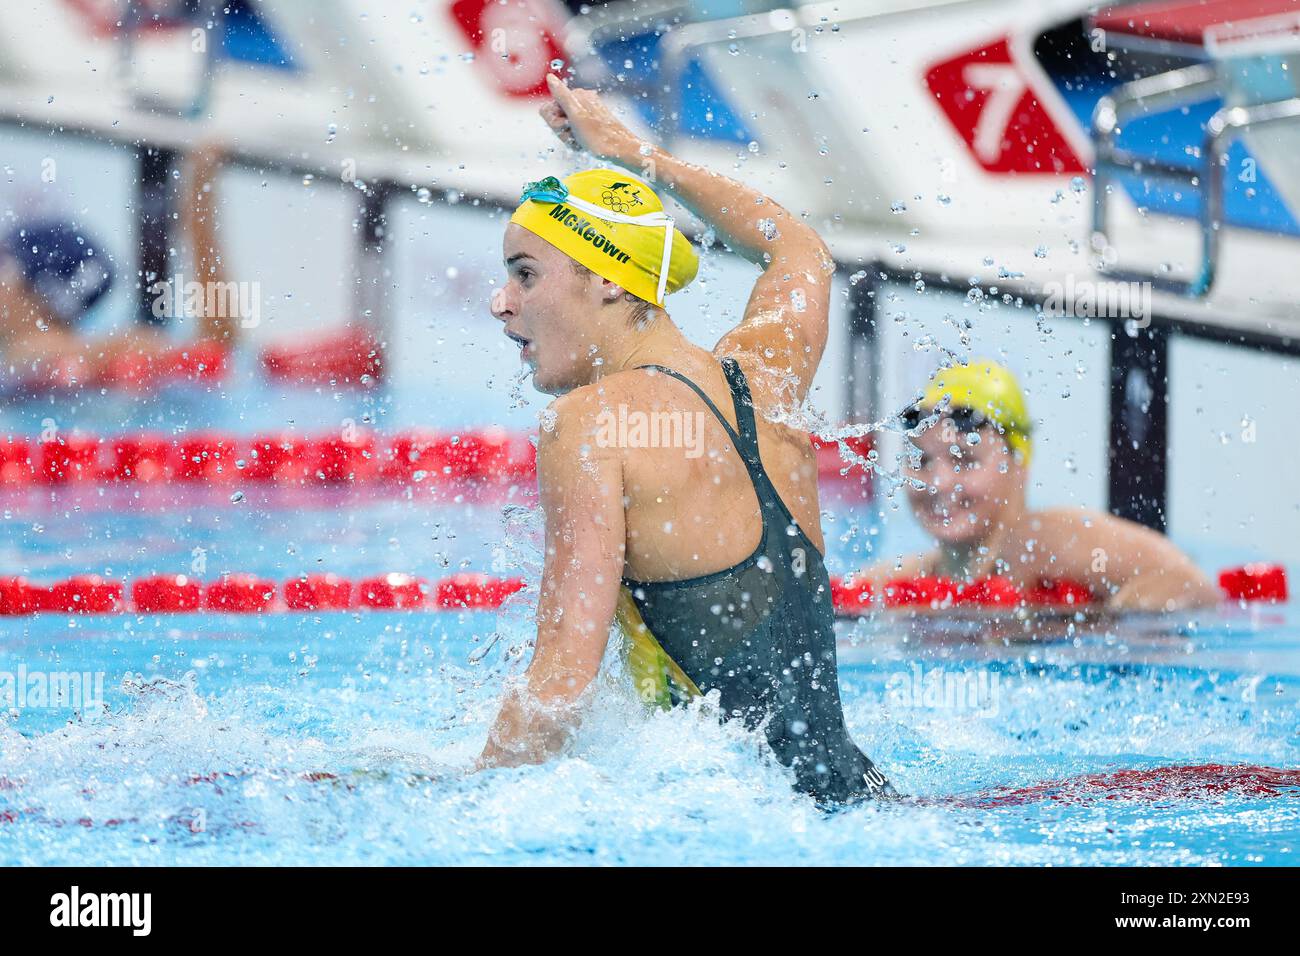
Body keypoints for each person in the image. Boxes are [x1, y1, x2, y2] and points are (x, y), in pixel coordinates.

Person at [476, 73, 894, 804]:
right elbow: (798, 250)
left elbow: (557, 693)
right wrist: (640, 156)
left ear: (608, 280)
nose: (499, 302)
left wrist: (451, 799)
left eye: (524, 274)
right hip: (861, 800)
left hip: (752, 825)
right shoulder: (764, 379)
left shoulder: (590, 425)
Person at [862, 359, 1218, 611]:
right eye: (922, 461)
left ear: (1019, 464)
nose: (939, 484)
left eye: (966, 461)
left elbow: (1190, 583)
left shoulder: (1043, 540)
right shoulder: (907, 577)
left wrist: (1104, 624)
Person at [0, 144, 240, 389]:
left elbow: (215, 351)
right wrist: (200, 214)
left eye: (3, 270)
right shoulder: (87, 356)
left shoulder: (36, 358)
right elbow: (218, 348)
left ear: (38, 293)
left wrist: (200, 213)